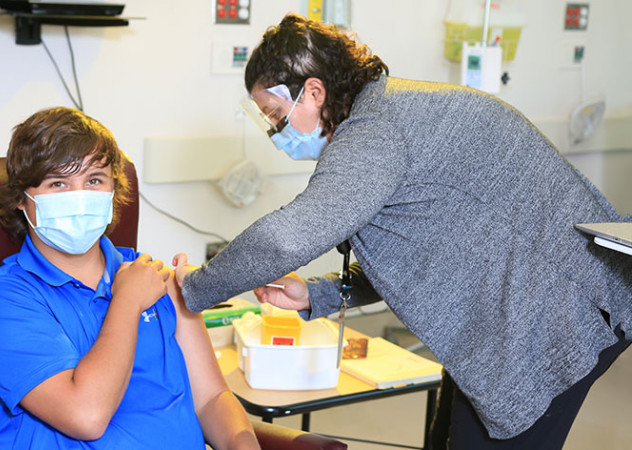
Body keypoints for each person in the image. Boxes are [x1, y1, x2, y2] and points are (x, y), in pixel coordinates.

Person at [174, 13, 632, 449]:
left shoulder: (378, 130)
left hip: (557, 311)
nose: (276, 133)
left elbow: (286, 237)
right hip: (517, 306)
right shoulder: (389, 112)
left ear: (314, 92)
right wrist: (320, 295)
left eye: (275, 115)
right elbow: (421, 254)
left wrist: (190, 290)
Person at [0, 107, 259, 449]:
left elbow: (211, 399)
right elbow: (86, 416)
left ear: (114, 189)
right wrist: (127, 302)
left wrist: (242, 444)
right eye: (58, 183)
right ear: (21, 200)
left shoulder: (152, 275)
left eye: (94, 180)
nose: (79, 197)